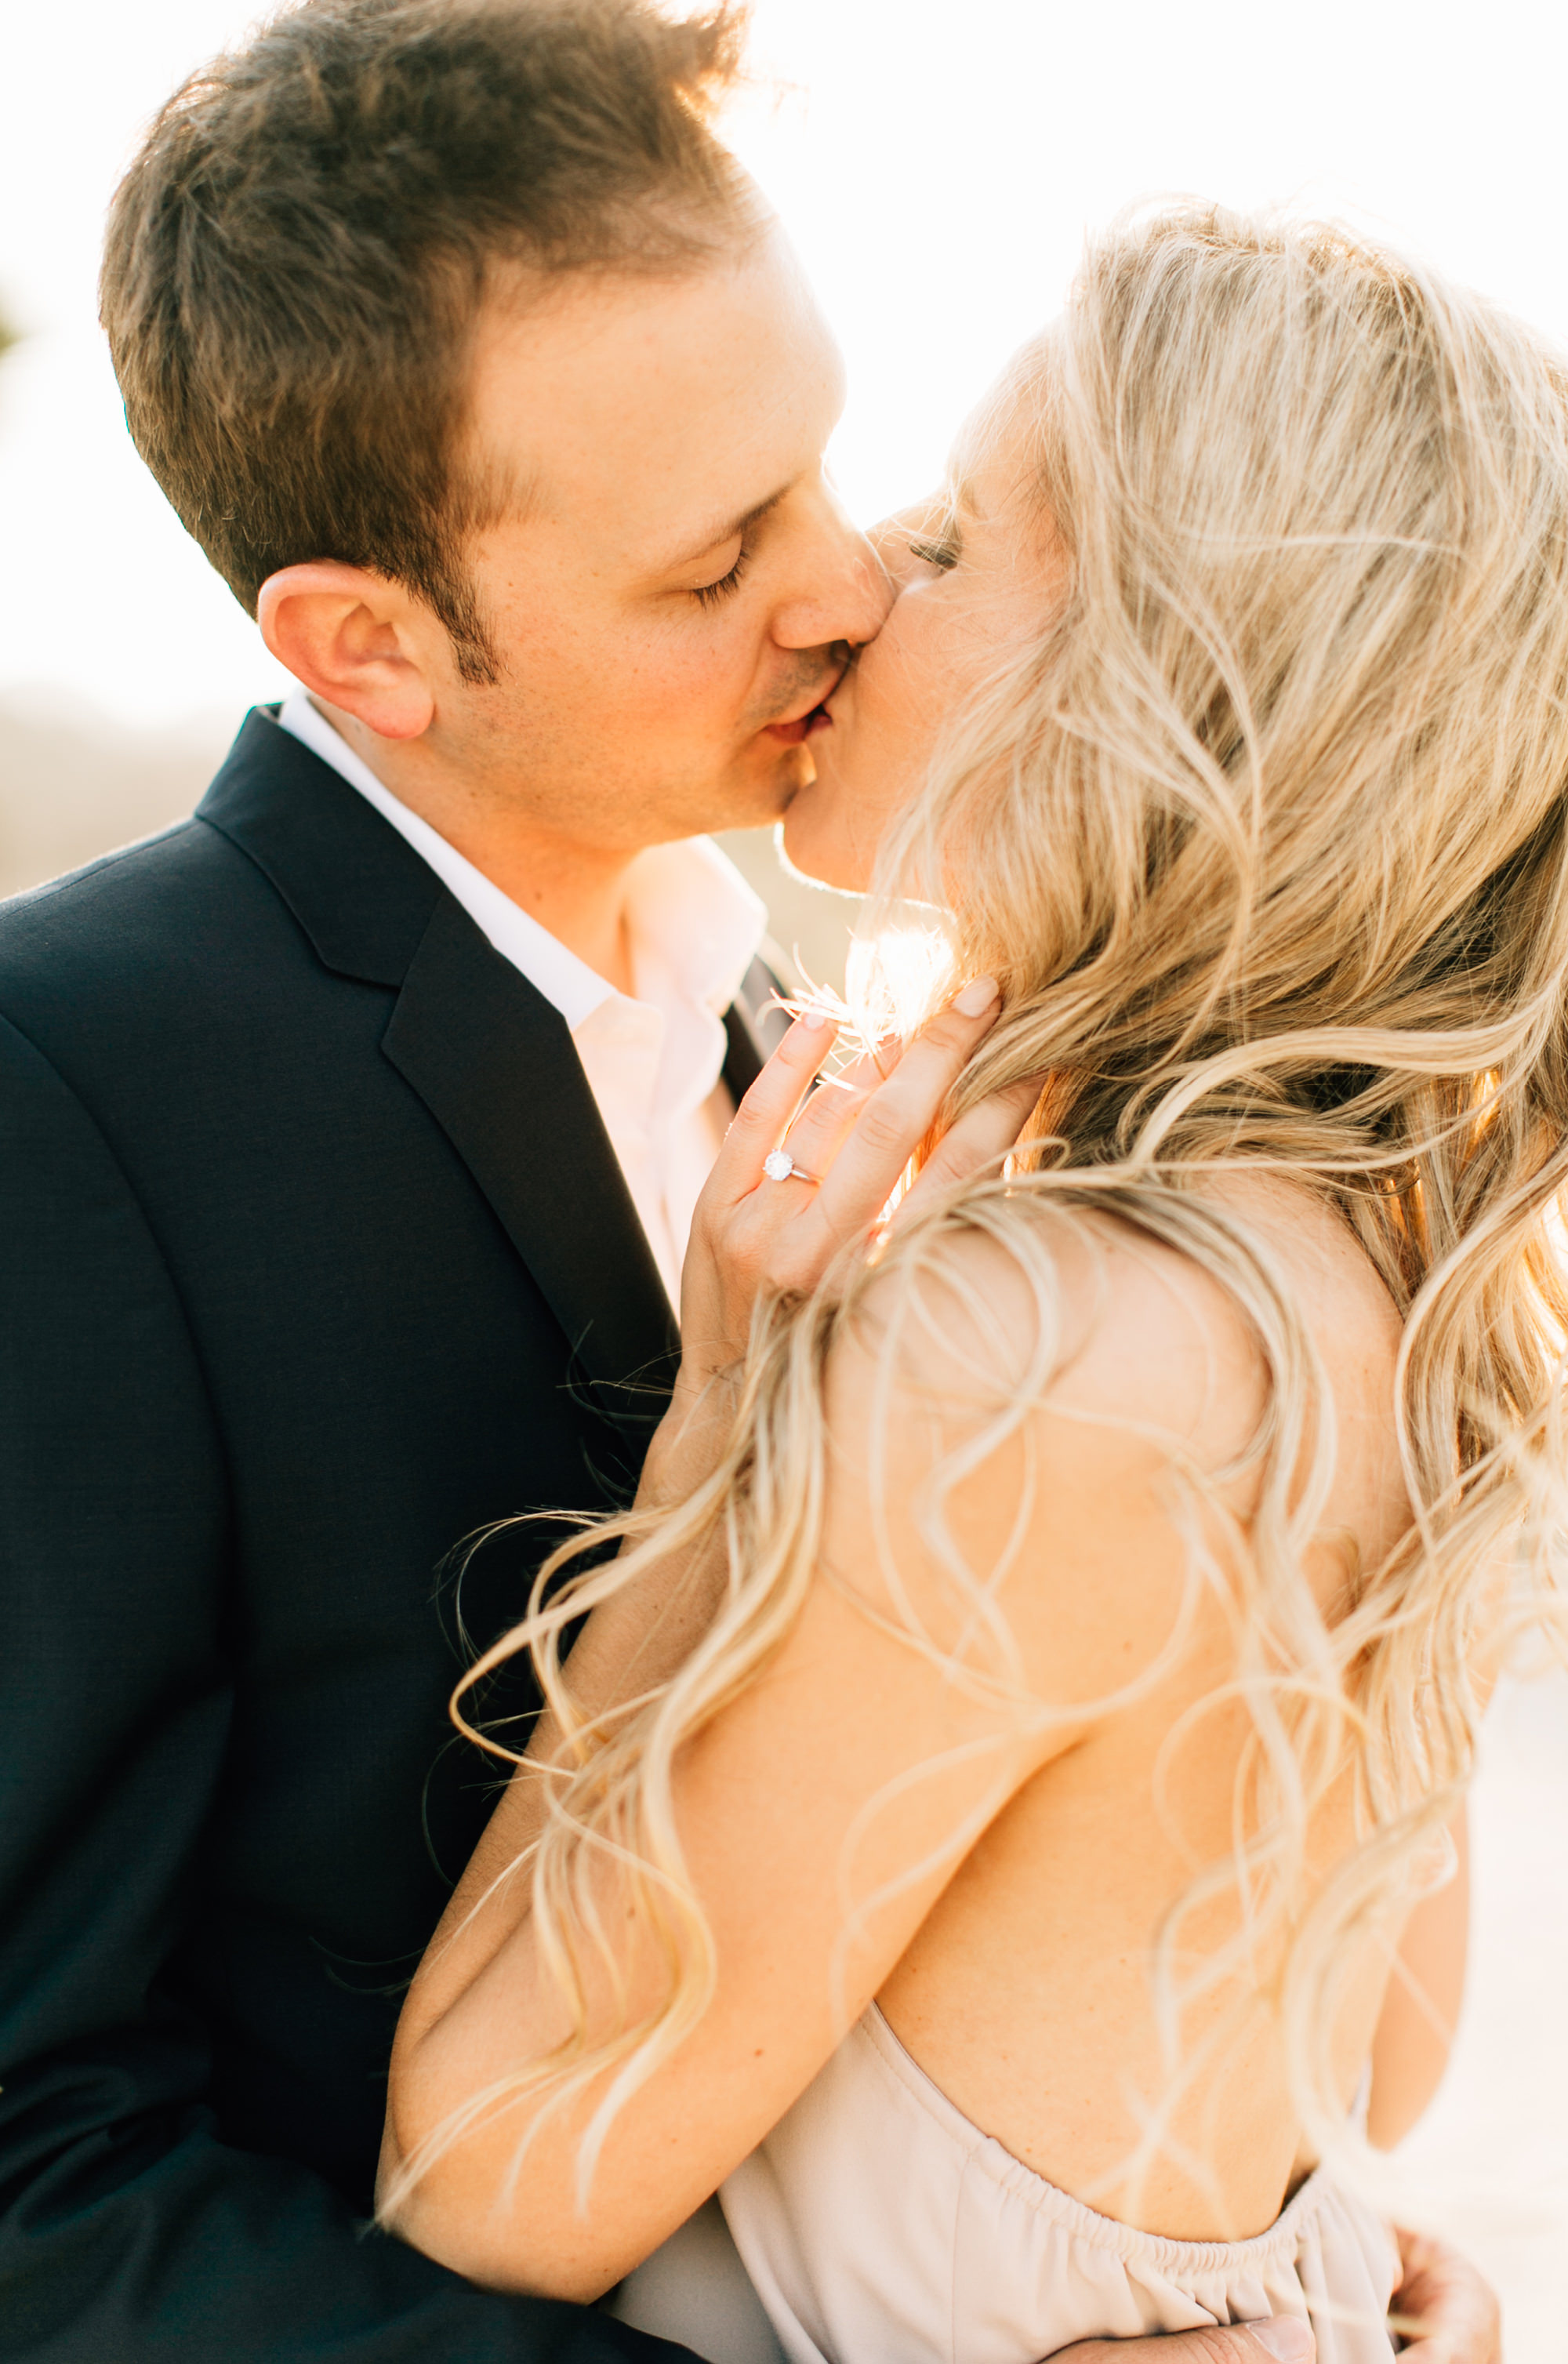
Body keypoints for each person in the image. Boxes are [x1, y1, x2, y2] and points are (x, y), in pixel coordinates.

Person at [0, 0, 1443, 2356]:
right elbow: (41, 2190)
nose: (854, 585)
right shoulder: (65, 1093)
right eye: (713, 562)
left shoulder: (832, 1060)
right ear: (367, 645)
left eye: (827, 472)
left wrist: (1303, 2255)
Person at [376, 206, 1563, 2362]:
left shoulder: (1032, 1350)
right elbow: (1358, 2073)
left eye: (940, 545)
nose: (845, 593)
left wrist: (725, 1430)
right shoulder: (1384, 1287)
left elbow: (487, 2178)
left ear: (1166, 682)